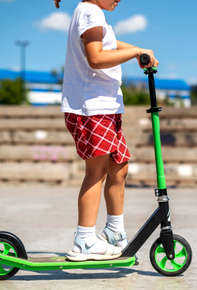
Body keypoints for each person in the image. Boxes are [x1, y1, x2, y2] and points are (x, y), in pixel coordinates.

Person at [55, 0, 158, 261]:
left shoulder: (95, 14)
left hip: (106, 108)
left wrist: (138, 50)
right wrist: (134, 54)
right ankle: (84, 240)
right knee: (97, 172)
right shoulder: (90, 11)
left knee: (119, 167)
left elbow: (110, 46)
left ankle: (114, 232)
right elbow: (97, 57)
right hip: (91, 108)